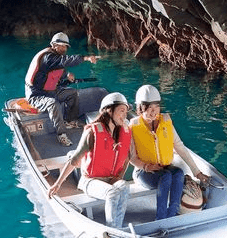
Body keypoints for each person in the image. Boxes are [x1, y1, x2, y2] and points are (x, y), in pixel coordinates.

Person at [48, 92, 133, 228]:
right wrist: (57, 184)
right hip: (90, 181)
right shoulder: (92, 133)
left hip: (109, 179)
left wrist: (118, 178)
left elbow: (126, 158)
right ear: (109, 111)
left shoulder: (122, 133)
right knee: (112, 192)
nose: (125, 115)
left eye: (126, 112)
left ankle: (118, 227)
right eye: (121, 111)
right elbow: (75, 160)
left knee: (124, 186)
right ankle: (113, 230)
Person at [130, 85, 210, 220]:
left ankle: (172, 215)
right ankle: (160, 219)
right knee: (166, 177)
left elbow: (180, 147)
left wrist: (197, 172)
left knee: (178, 173)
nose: (153, 111)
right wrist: (147, 166)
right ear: (140, 108)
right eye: (148, 107)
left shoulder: (166, 122)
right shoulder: (133, 126)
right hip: (143, 173)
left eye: (156, 107)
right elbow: (131, 157)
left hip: (164, 169)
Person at [25, 32, 100, 146]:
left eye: (66, 46)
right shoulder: (48, 57)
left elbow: (56, 70)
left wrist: (66, 75)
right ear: (54, 45)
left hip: (51, 91)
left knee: (72, 93)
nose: (64, 48)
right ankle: (61, 135)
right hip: (37, 95)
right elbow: (64, 61)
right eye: (62, 45)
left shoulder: (55, 59)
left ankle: (71, 120)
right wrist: (86, 58)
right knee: (52, 103)